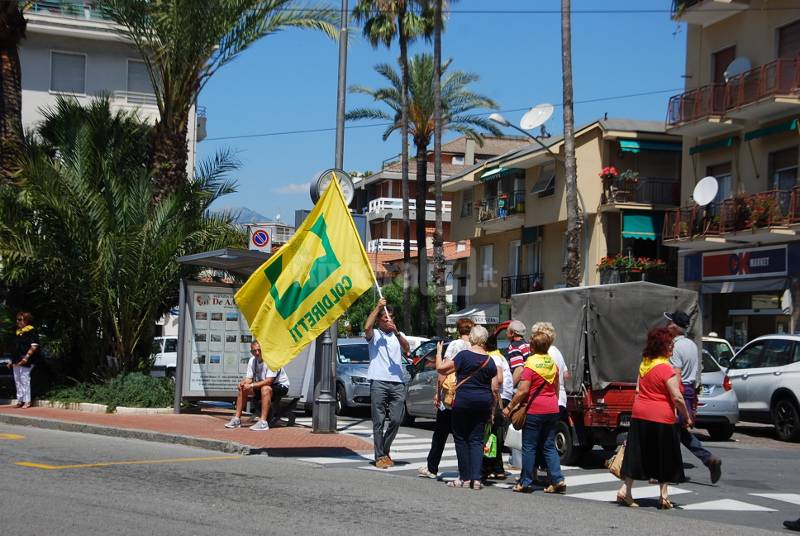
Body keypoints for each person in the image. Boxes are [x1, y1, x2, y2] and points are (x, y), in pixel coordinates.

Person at [617, 327, 691, 509]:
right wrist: (686, 416)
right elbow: (677, 397)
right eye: (670, 344)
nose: (672, 348)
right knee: (664, 456)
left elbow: (637, 390)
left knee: (637, 453)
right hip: (661, 417)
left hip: (640, 413)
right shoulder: (666, 369)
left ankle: (625, 490)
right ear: (662, 346)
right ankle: (664, 496)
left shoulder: (644, 364)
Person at [435, 325, 500, 490]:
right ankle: (476, 479)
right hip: (483, 402)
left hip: (464, 401)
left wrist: (438, 353)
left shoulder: (464, 356)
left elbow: (441, 368)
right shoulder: (490, 361)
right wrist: (492, 410)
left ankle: (464, 477)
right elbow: (494, 387)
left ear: (472, 338)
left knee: (461, 438)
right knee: (477, 440)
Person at [665, 310, 722, 484]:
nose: (667, 325)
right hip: (689, 391)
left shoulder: (675, 346)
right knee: (680, 433)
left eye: (669, 323)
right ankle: (708, 459)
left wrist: (673, 395)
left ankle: (672, 473)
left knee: (670, 433)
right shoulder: (691, 345)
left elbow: (676, 374)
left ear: (675, 326)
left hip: (679, 391)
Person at [504, 331, 565, 494]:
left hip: (535, 410)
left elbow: (523, 391)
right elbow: (556, 388)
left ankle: (525, 482)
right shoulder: (552, 364)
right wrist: (553, 405)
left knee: (529, 447)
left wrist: (510, 406)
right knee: (549, 446)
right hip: (552, 408)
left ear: (532, 346)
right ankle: (558, 479)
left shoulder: (530, 364)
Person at [418, 317, 474, 479]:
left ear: (459, 329)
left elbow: (443, 370)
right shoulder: (474, 346)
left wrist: (437, 392)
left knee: (440, 433)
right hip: (468, 393)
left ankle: (432, 467)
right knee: (464, 435)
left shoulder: (455, 345)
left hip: (451, 394)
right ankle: (468, 468)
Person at [364, 298, 410, 469]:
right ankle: (380, 456)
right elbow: (366, 327)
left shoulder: (397, 335)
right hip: (379, 381)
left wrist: (397, 333)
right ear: (379, 320)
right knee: (379, 421)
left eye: (391, 317)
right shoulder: (375, 335)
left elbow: (407, 349)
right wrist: (378, 307)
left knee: (397, 419)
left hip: (397, 382)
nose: (389, 320)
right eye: (385, 318)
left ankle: (384, 449)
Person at [530, 322, 570, 483]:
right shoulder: (557, 351)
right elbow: (566, 374)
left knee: (536, 441)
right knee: (548, 440)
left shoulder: (544, 354)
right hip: (559, 400)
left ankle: (535, 475)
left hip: (545, 400)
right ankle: (552, 475)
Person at [225, 341, 290, 430]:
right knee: (243, 388)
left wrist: (251, 385)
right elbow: (249, 378)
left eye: (259, 350)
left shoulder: (271, 360)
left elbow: (269, 381)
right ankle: (237, 419)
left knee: (265, 388)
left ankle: (263, 422)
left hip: (280, 386)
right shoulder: (252, 360)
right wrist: (243, 383)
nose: (257, 353)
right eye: (254, 351)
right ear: (251, 352)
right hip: (263, 385)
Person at [482, 334, 514, 480]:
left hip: (499, 398)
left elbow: (499, 379)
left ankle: (492, 467)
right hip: (503, 396)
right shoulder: (498, 355)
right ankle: (495, 467)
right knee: (495, 433)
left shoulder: (493, 357)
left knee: (492, 433)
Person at [8, 312, 40, 408]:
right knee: (17, 380)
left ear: (26, 320)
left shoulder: (31, 331)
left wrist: (26, 357)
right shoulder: (18, 332)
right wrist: (11, 360)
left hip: (26, 359)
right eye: (17, 319)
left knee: (24, 379)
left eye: (20, 319)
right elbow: (14, 348)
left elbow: (34, 346)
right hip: (16, 359)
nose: (18, 321)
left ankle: (27, 401)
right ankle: (20, 400)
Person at [506, 320, 530, 384]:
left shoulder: (514, 347)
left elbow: (519, 369)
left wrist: (510, 387)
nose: (506, 333)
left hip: (520, 384)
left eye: (507, 331)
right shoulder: (527, 344)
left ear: (512, 333)